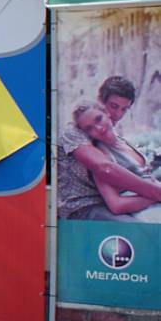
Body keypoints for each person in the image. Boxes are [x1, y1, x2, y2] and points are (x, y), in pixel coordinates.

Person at [57, 75, 161, 221]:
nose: (118, 115)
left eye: (124, 109)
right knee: (137, 227)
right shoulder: (75, 132)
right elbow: (105, 168)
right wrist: (156, 193)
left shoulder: (113, 138)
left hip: (110, 201)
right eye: (114, 106)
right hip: (84, 206)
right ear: (100, 101)